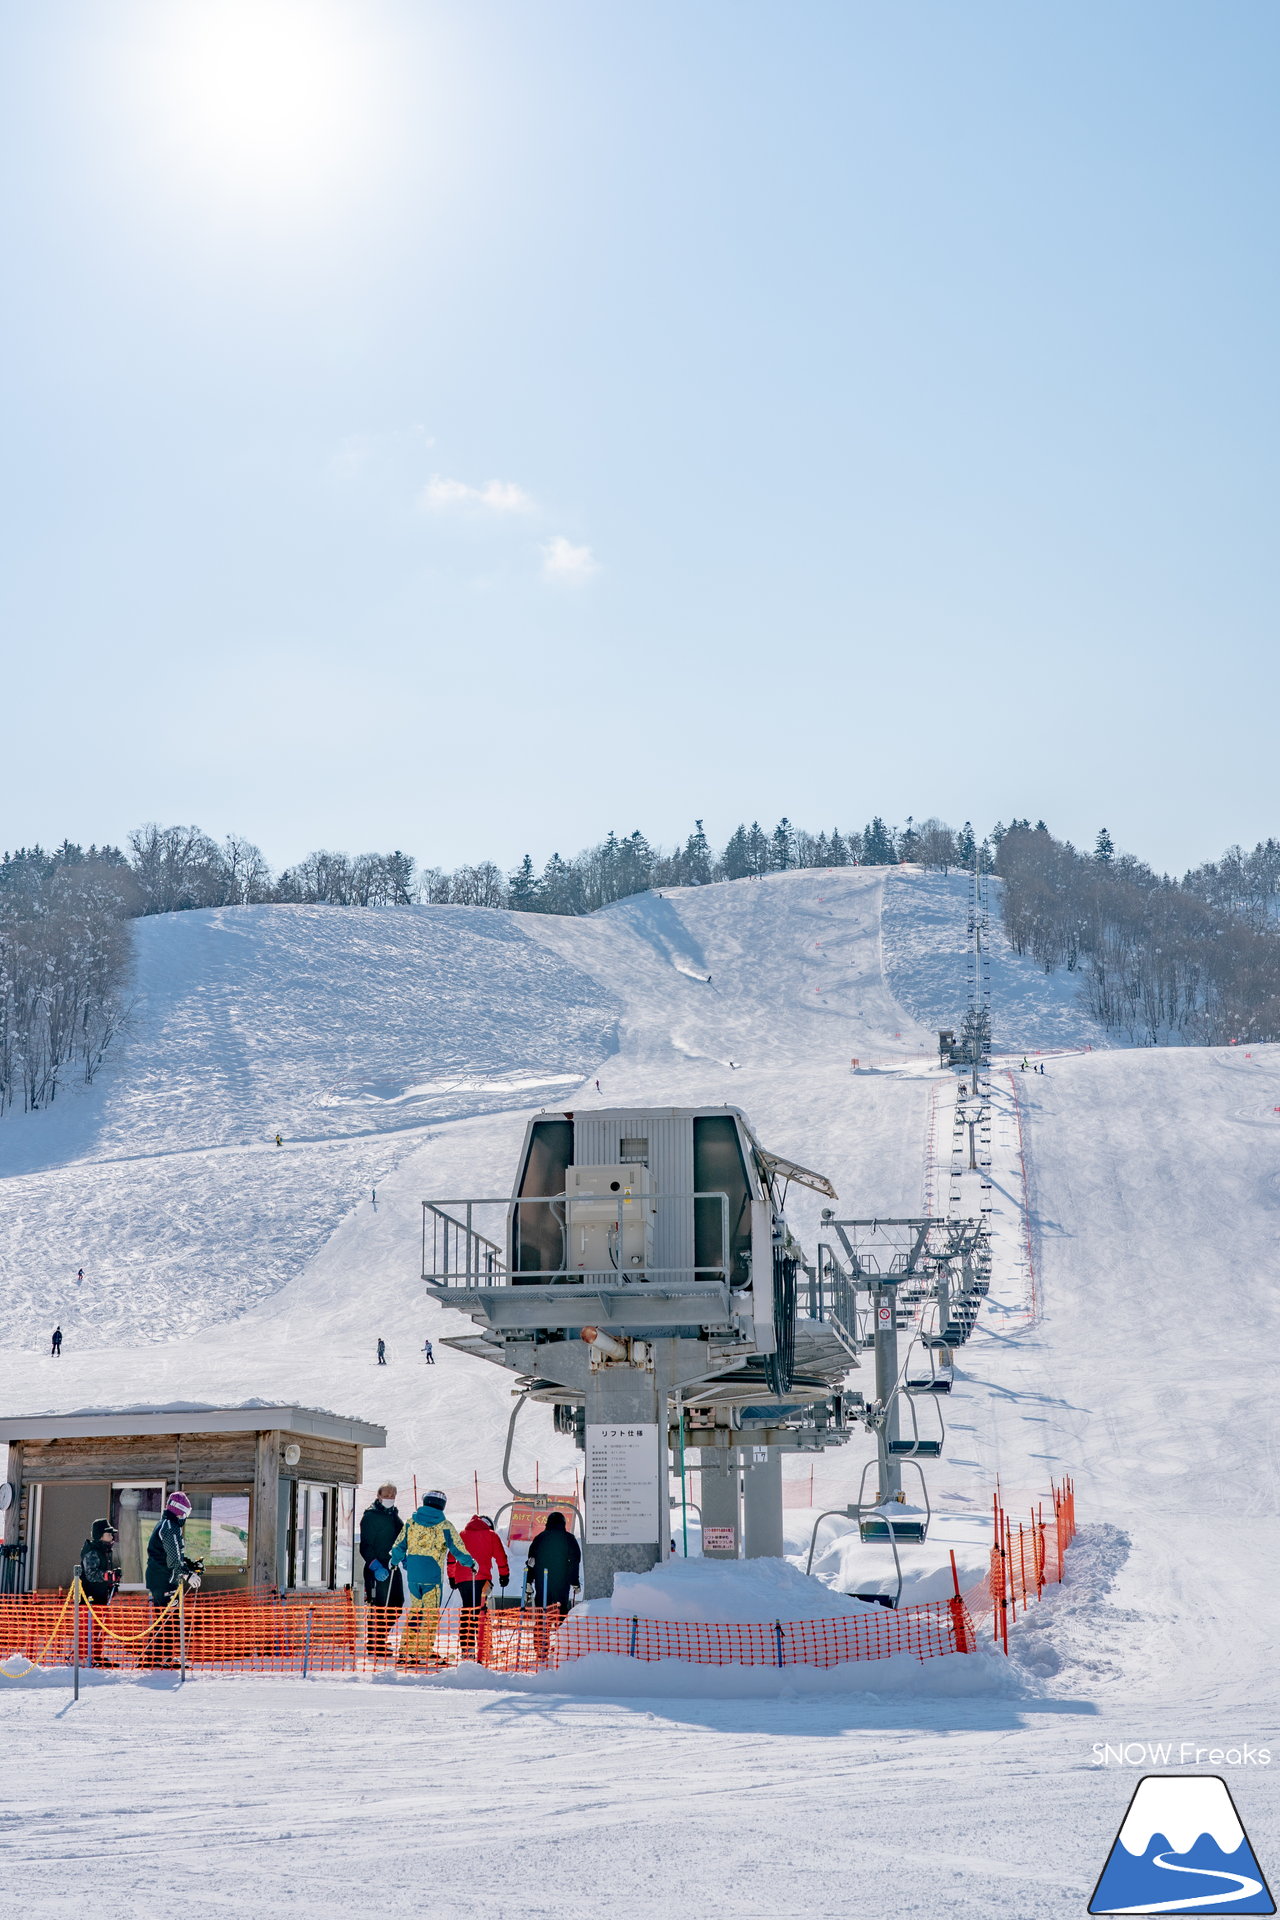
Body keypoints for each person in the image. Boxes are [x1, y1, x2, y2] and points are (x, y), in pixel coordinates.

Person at [389, 1490, 476, 1667]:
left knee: (416, 1611)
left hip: (413, 1575)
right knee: (429, 1615)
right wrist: (471, 1563)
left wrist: (394, 1561)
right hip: (432, 1576)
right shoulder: (444, 1525)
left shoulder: (410, 1523)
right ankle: (423, 1652)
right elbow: (457, 1548)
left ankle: (406, 1651)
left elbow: (398, 1545)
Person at [144, 1491, 200, 1667]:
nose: (185, 1517)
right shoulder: (169, 1527)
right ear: (179, 1510)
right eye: (185, 1513)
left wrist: (192, 1566)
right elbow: (173, 1559)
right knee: (167, 1620)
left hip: (165, 1578)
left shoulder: (168, 1524)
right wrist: (187, 1574)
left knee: (170, 1619)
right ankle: (160, 1658)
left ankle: (162, 1657)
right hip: (163, 1579)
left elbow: (176, 1553)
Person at [447, 1514, 509, 1663]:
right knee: (481, 1611)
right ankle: (484, 1647)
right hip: (482, 1580)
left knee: (467, 1611)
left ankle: (467, 1649)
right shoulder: (491, 1535)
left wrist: (452, 1577)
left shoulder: (462, 1534)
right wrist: (504, 1575)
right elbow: (501, 1557)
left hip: (463, 1580)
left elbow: (451, 1557)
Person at [525, 1510, 581, 1659]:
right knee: (562, 1615)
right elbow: (574, 1562)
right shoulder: (569, 1539)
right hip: (561, 1585)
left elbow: (531, 1562)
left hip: (543, 1585)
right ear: (563, 1524)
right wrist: (575, 1581)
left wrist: (528, 1582)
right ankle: (564, 1649)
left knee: (542, 1616)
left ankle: (541, 1649)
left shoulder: (540, 1538)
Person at [358, 1484, 404, 1657]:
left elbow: (401, 1537)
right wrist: (375, 1565)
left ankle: (380, 1638)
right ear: (379, 1495)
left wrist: (403, 1556)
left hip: (393, 1566)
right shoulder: (370, 1516)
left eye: (393, 1493)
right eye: (387, 1493)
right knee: (379, 1607)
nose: (391, 1496)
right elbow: (365, 1546)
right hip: (377, 1568)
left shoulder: (394, 1515)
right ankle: (375, 1643)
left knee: (397, 1604)